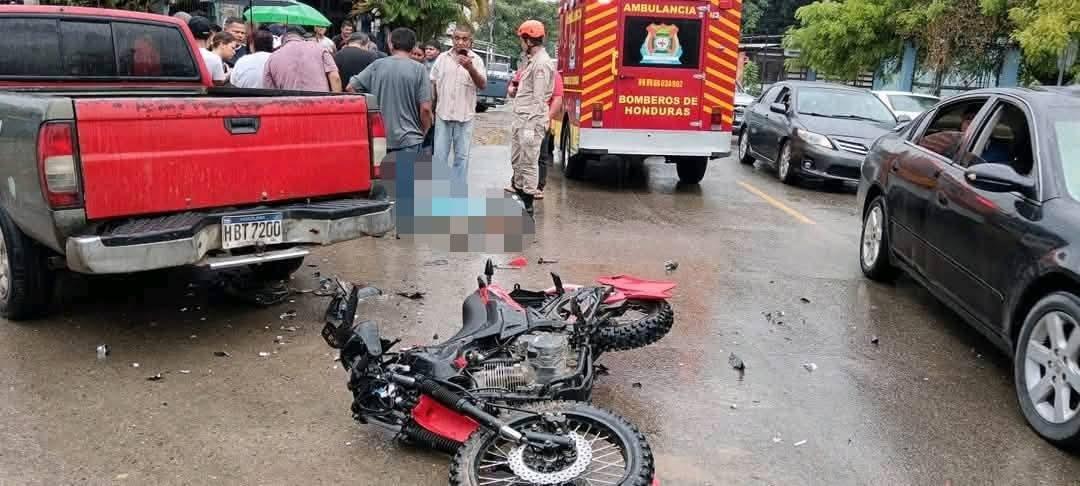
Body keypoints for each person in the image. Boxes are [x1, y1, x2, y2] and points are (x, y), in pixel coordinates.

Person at [347, 27, 433, 234]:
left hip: (380, 138)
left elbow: (350, 88)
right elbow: (426, 108)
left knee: (381, 187)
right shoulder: (419, 69)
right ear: (413, 47)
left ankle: (379, 227)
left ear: (391, 44)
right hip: (409, 138)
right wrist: (425, 128)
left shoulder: (377, 66)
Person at [429, 25, 486, 196]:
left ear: (471, 41)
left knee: (461, 159)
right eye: (457, 38)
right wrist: (431, 111)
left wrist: (470, 68)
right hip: (442, 116)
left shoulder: (476, 60)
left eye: (464, 39)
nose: (460, 42)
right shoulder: (441, 59)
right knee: (439, 159)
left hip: (465, 117)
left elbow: (482, 85)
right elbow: (432, 84)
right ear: (452, 39)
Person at [507, 20, 555, 217]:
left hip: (530, 122)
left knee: (528, 163)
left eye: (522, 39)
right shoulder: (531, 61)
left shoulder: (542, 64)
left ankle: (527, 208)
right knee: (518, 161)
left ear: (528, 40)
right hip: (522, 120)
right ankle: (520, 199)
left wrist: (529, 126)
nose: (521, 43)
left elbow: (539, 98)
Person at [263, 25, 342, 92]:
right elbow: (335, 78)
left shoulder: (272, 57)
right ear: (302, 36)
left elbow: (269, 90)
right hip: (320, 105)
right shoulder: (320, 48)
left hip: (289, 107)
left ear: (283, 38)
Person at [189, 16, 228, 85]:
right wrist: (230, 73)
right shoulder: (214, 58)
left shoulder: (178, 54)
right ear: (210, 35)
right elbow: (219, 82)